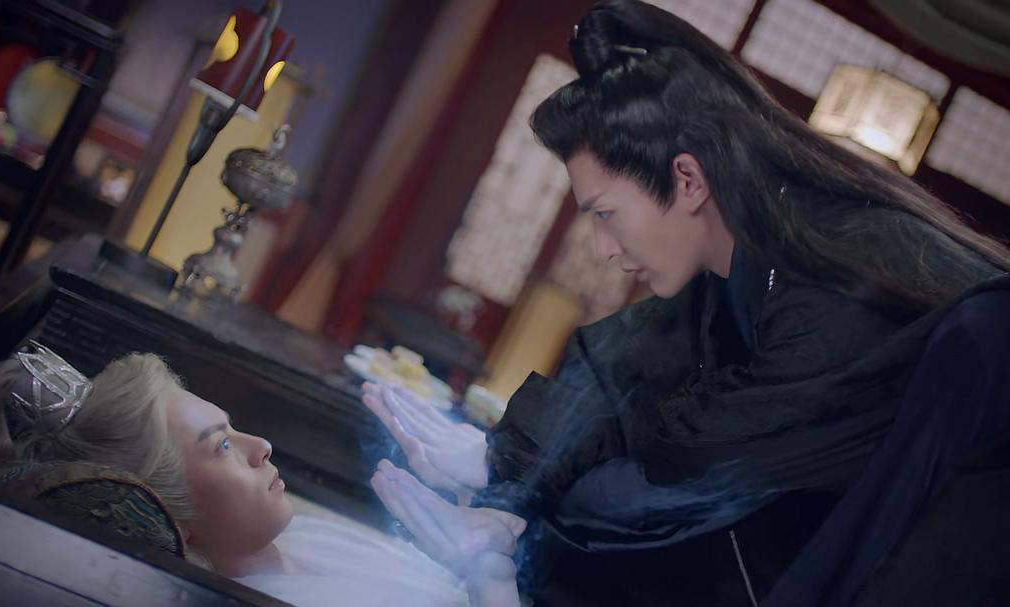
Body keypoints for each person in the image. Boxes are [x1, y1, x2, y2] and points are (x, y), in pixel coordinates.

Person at [361, 1, 1010, 605]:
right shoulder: (750, 262)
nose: (605, 248)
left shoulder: (835, 280)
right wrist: (503, 466)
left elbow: (683, 467)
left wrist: (508, 511)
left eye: (605, 214)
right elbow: (622, 379)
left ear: (689, 180)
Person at [0, 344, 483, 607]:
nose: (261, 448)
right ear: (175, 520)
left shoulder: (300, 541)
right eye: (222, 447)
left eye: (233, 430)